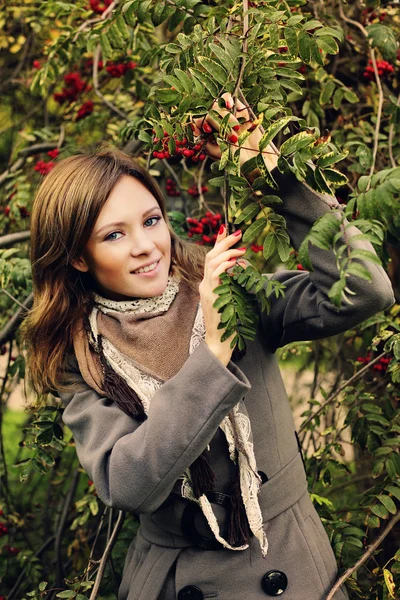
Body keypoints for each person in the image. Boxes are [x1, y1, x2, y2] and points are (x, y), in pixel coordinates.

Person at [24, 94, 394, 600]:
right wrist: (213, 354)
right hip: (174, 578)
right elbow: (127, 483)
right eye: (114, 234)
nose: (146, 246)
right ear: (79, 258)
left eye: (152, 221)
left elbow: (364, 290)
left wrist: (277, 177)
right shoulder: (80, 352)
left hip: (285, 563)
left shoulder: (227, 289)